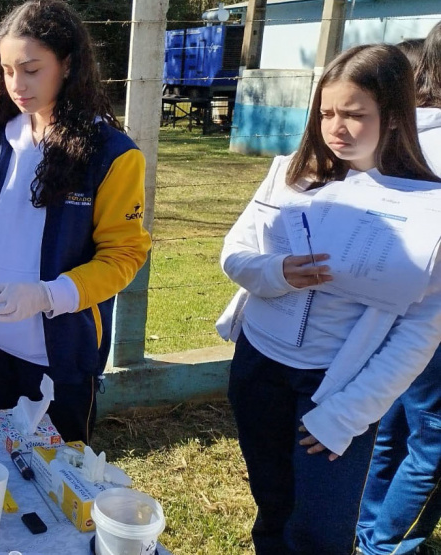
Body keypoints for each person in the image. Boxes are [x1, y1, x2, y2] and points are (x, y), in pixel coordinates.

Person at [220, 44, 441, 555]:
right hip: (260, 365)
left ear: (394, 117)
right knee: (272, 507)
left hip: (335, 385)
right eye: (326, 112)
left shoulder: (426, 206)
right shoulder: (290, 174)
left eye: (355, 114)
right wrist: (276, 272)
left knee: (320, 530)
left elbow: (421, 329)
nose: (336, 127)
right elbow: (235, 253)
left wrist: (348, 413)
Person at [0, 0, 151, 445]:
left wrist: (46, 295)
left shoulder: (112, 155)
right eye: (8, 70)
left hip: (59, 355)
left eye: (31, 69)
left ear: (67, 65)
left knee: (59, 481)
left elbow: (124, 256)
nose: (17, 85)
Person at [356, 29, 441, 555]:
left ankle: (366, 530)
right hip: (430, 319)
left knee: (393, 426)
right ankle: (387, 547)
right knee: (433, 444)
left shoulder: (406, 133)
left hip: (387, 310)